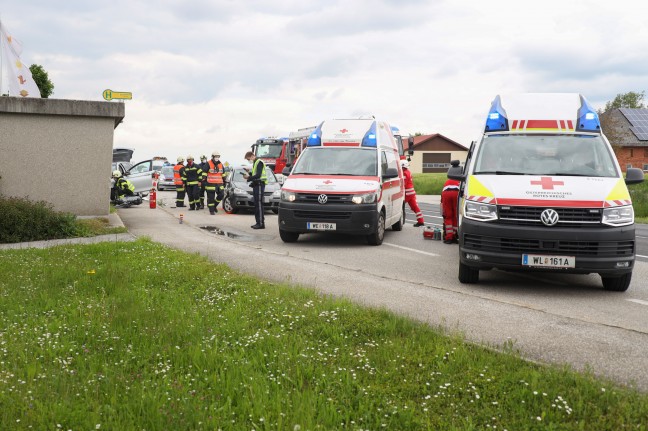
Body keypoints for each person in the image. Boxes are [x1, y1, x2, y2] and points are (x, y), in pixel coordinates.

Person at [243, 150, 267, 229]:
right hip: (257, 185)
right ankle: (258, 222)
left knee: (259, 204)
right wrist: (249, 173)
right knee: (257, 204)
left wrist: (249, 177)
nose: (248, 160)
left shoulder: (259, 162)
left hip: (259, 185)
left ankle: (260, 223)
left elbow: (258, 175)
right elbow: (255, 175)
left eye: (248, 159)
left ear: (252, 156)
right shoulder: (255, 163)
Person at [441, 160, 461, 244]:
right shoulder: (461, 170)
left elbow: (442, 199)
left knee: (448, 216)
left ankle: (449, 237)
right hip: (457, 191)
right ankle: (455, 236)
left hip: (446, 192)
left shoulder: (450, 171)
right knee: (455, 216)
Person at [401, 160, 425, 227]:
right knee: (415, 207)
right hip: (411, 193)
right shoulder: (408, 172)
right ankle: (421, 221)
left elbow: (403, 184)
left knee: (400, 205)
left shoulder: (404, 173)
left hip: (407, 193)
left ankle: (400, 220)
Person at [205, 150, 225, 215]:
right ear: (213, 157)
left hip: (219, 183)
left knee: (221, 195)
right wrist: (203, 180)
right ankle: (211, 211)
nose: (217, 157)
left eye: (218, 156)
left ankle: (214, 206)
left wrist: (224, 180)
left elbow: (223, 173)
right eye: (216, 156)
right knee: (211, 198)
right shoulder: (208, 163)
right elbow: (204, 172)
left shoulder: (220, 164)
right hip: (211, 184)